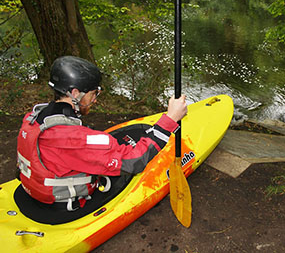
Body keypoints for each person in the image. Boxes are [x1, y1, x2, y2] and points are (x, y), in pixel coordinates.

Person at [16, 56, 187, 211]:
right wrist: (170, 120)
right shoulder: (73, 138)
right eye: (93, 93)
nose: (95, 100)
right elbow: (135, 161)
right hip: (63, 203)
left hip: (36, 186)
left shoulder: (36, 117)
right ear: (75, 93)